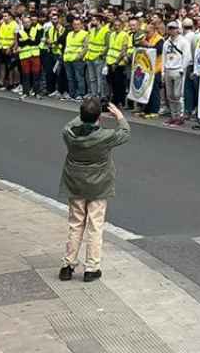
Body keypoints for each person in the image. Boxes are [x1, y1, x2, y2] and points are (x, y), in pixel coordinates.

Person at [58, 98, 130, 283]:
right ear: (99, 117)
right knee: (95, 226)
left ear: (81, 116)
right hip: (98, 185)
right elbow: (125, 132)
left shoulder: (69, 133)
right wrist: (118, 115)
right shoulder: (105, 136)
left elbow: (73, 123)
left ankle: (68, 265)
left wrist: (87, 112)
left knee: (75, 224)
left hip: (75, 183)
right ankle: (91, 267)